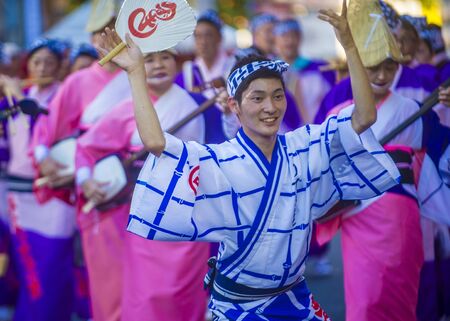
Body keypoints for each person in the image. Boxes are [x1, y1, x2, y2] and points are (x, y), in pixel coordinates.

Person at [97, 0, 401, 319]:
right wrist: (135, 72)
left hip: (294, 297)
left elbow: (364, 117)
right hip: (237, 305)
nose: (270, 107)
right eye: (257, 98)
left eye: (277, 95)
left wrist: (351, 48)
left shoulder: (303, 144)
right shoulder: (220, 158)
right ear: (235, 106)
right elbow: (156, 143)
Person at [75, 49, 210, 321]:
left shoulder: (199, 103)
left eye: (166, 57)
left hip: (191, 214)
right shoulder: (127, 109)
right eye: (149, 59)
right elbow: (86, 148)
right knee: (147, 298)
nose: (159, 65)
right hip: (146, 217)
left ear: (177, 62)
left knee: (186, 298)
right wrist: (85, 180)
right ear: (137, 65)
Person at [30, 1, 130, 320]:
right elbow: (46, 130)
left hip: (141, 185)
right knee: (105, 274)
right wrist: (46, 160)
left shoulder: (141, 73)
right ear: (94, 39)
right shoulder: (78, 81)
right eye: (104, 31)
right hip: (97, 185)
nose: (111, 37)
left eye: (117, 29)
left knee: (144, 272)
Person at [1, 38, 76, 321]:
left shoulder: (63, 96)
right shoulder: (13, 97)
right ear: (27, 65)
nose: (42, 67)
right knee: (26, 266)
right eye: (36, 62)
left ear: (59, 68)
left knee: (52, 262)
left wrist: (19, 98)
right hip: (17, 194)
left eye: (49, 62)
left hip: (55, 192)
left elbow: (42, 129)